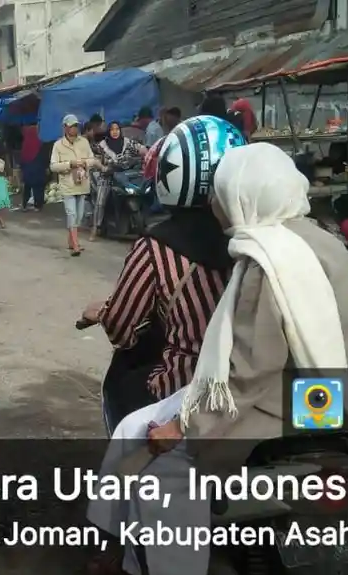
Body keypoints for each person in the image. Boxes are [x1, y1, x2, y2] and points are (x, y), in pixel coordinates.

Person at [83, 142, 348, 575]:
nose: (217, 207)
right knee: (138, 427)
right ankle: (120, 549)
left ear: (244, 198)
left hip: (266, 412)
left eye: (223, 197)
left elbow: (247, 371)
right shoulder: (325, 243)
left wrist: (182, 426)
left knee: (157, 469)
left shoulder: (264, 258)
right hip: (320, 405)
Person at [80, 114, 246, 440]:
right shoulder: (265, 241)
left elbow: (122, 330)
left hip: (183, 391)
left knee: (125, 387)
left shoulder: (156, 248)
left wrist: (104, 312)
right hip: (255, 388)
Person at [50, 114, 102, 255]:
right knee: (71, 213)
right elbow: (53, 166)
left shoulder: (83, 142)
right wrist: (70, 164)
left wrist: (85, 163)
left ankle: (71, 240)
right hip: (67, 184)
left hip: (82, 182)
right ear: (65, 127)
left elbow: (92, 159)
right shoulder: (58, 145)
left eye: (76, 126)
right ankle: (76, 245)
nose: (74, 128)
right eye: (71, 126)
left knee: (79, 216)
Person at [19, 124, 46, 211]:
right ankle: (38, 205)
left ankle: (24, 205)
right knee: (39, 187)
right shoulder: (40, 143)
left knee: (27, 187)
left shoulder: (25, 143)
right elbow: (45, 157)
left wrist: (22, 168)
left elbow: (22, 157)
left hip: (28, 170)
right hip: (39, 169)